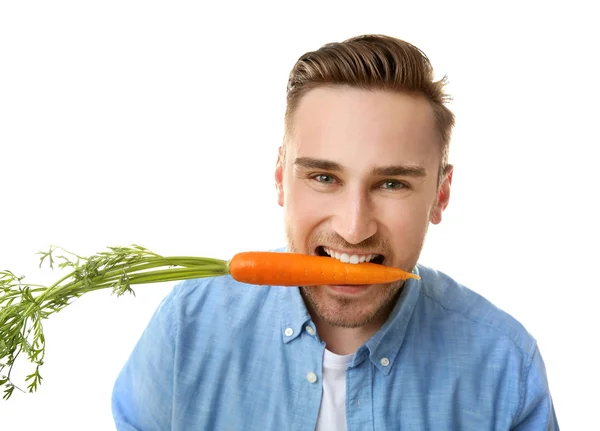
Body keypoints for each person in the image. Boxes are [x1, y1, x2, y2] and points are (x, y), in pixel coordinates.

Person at [111, 34, 559, 430]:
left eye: (392, 183)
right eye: (324, 177)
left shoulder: (505, 365)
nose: (354, 227)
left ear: (440, 195)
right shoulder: (186, 328)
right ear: (280, 179)